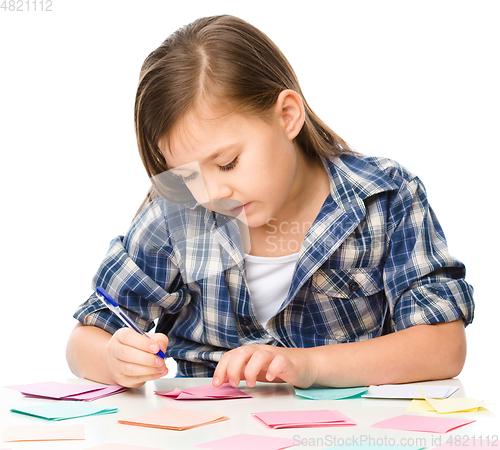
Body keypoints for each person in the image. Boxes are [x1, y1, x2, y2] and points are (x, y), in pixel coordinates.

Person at [66, 15, 474, 389]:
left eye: (227, 163)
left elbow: (442, 346)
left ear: (287, 116)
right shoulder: (177, 211)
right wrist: (113, 357)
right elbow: (85, 338)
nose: (212, 195)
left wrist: (308, 366)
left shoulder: (384, 197)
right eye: (189, 177)